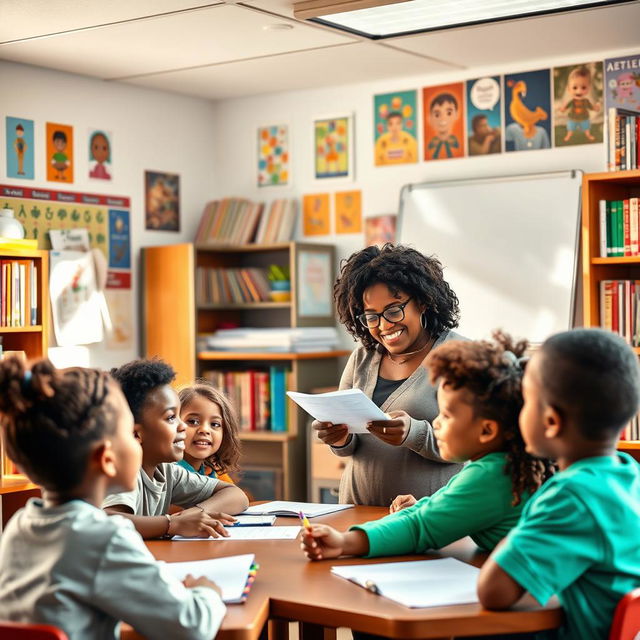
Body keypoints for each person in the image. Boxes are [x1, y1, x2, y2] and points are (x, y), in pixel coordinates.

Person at [0, 357, 226, 640]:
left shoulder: (20, 526)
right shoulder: (105, 538)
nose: (137, 441)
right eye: (130, 435)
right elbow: (192, 627)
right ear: (107, 459)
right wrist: (207, 592)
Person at [301, 332, 554, 561]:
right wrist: (424, 504)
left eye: (446, 415)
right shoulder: (498, 466)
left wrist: (344, 542)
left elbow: (421, 527)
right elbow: (434, 510)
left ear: (487, 430)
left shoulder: (490, 476)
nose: (437, 423)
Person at [478, 328, 640, 640]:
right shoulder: (629, 474)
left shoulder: (570, 496)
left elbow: (492, 591)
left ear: (551, 421)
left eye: (526, 401)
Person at [315, 244, 464, 506]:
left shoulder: (461, 356)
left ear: (423, 301)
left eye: (394, 310)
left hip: (428, 522)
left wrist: (414, 434)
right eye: (372, 316)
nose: (384, 326)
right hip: (358, 517)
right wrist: (339, 438)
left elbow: (472, 444)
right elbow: (349, 448)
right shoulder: (362, 358)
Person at [103, 358, 249, 539]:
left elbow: (236, 495)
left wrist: (196, 513)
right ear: (137, 434)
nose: (183, 427)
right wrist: (171, 524)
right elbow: (107, 521)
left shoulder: (167, 471)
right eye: (171, 417)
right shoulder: (124, 472)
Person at [177, 381, 241, 484]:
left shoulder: (213, 470)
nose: (205, 430)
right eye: (193, 422)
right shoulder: (168, 472)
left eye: (215, 424)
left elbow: (236, 494)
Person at [560, 65, 601, 143]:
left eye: (583, 87)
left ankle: (588, 134)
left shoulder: (586, 101)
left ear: (589, 88)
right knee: (570, 128)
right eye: (575, 88)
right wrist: (563, 108)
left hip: (584, 118)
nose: (579, 91)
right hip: (573, 118)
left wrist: (596, 108)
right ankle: (568, 135)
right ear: (569, 89)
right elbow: (565, 107)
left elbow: (591, 107)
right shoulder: (572, 101)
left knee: (586, 127)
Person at [426, 93, 460, 159]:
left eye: (449, 113)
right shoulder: (428, 147)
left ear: (456, 115)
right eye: (437, 115)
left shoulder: (460, 145)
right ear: (430, 118)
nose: (443, 118)